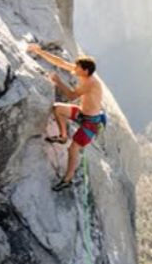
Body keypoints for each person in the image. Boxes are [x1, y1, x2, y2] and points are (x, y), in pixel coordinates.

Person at [27, 43, 106, 191]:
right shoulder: (84, 74)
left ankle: (67, 179)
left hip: (91, 123)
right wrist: (40, 51)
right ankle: (63, 137)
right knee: (57, 108)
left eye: (78, 68)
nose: (75, 69)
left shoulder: (91, 83)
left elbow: (71, 96)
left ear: (85, 71)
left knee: (73, 149)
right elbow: (61, 63)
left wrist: (58, 82)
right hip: (82, 113)